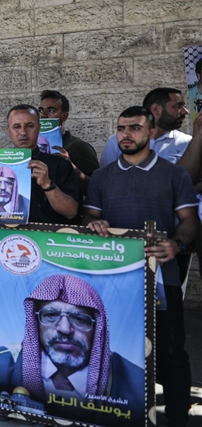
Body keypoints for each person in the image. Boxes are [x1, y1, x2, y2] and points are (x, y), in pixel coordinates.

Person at [84, 105, 198, 426]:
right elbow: (89, 215)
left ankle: (177, 417)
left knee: (171, 352)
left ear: (152, 132)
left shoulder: (174, 175)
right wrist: (92, 223)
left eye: (134, 128)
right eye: (121, 128)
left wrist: (177, 243)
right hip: (113, 279)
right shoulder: (102, 177)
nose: (126, 134)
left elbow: (190, 221)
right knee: (115, 348)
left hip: (162, 278)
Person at [0, 275, 144, 422]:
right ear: (35, 322)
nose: (65, 329)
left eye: (79, 318)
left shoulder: (137, 385)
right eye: (51, 315)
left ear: (97, 327)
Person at [0, 105, 78, 232]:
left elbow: (71, 212)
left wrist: (48, 185)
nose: (23, 132)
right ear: (8, 130)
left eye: (30, 126)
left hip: (47, 239)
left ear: (39, 128)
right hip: (2, 237)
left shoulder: (59, 164)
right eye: (16, 126)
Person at [99, 88, 191, 167]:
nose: (185, 111)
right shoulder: (116, 142)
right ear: (155, 109)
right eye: (178, 106)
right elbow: (106, 178)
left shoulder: (188, 143)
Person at [38, 90, 99, 179]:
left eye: (51, 110)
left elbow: (95, 184)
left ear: (64, 116)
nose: (43, 115)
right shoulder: (32, 145)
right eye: (40, 110)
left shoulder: (80, 147)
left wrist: (71, 167)